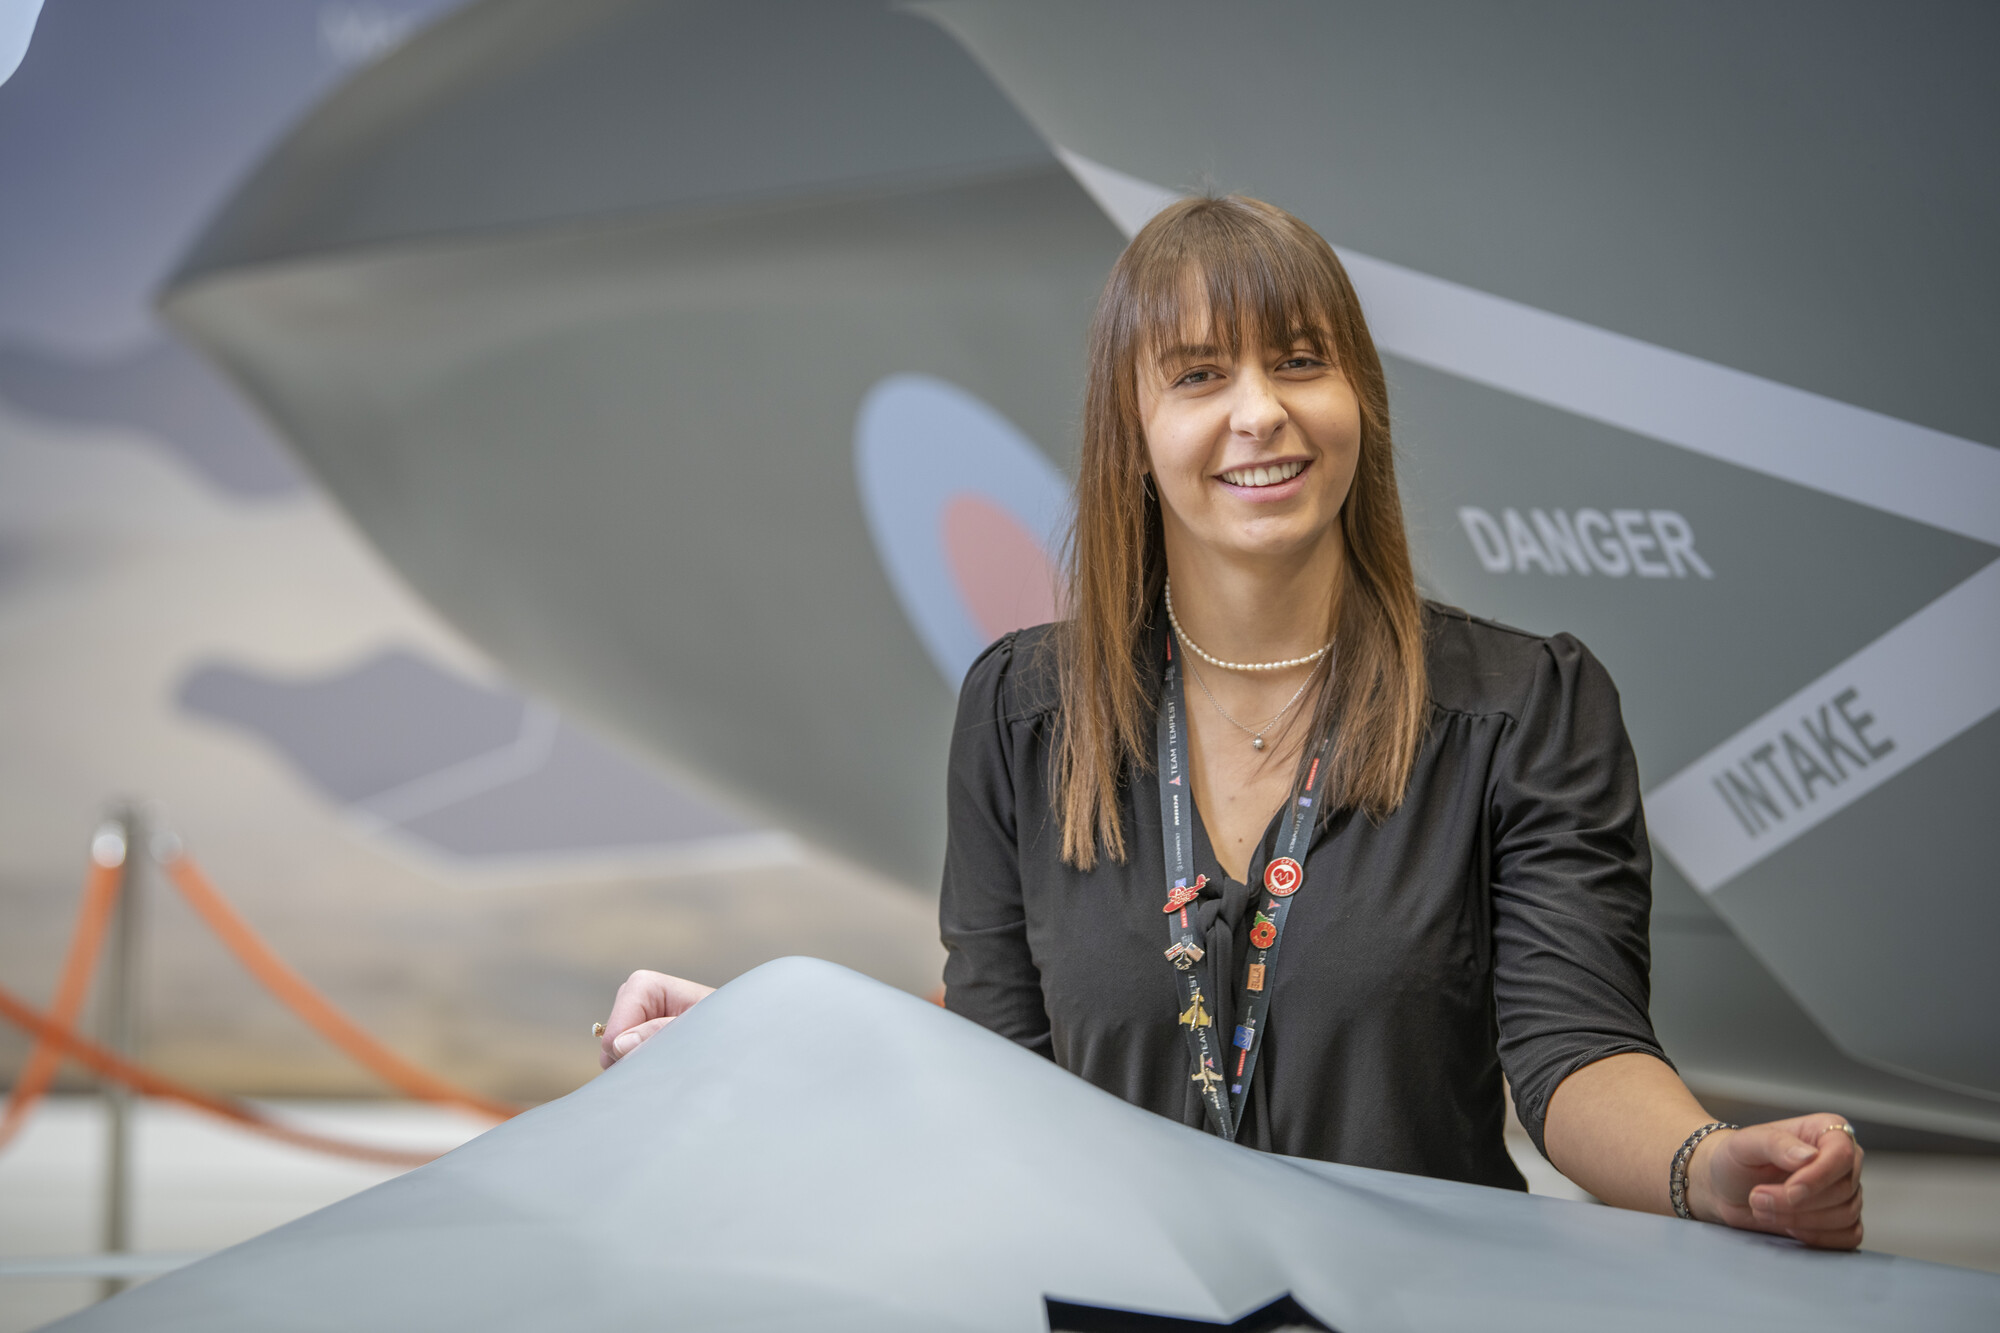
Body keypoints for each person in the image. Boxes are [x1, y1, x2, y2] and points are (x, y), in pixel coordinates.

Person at [599, 195, 1863, 1248]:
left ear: (1353, 399)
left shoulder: (1523, 705)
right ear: (1131, 435)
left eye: (1298, 361)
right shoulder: (1022, 713)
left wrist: (1712, 1165)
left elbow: (1575, 1050)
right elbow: (991, 1058)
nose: (1257, 410)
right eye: (1199, 376)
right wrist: (763, 1037)